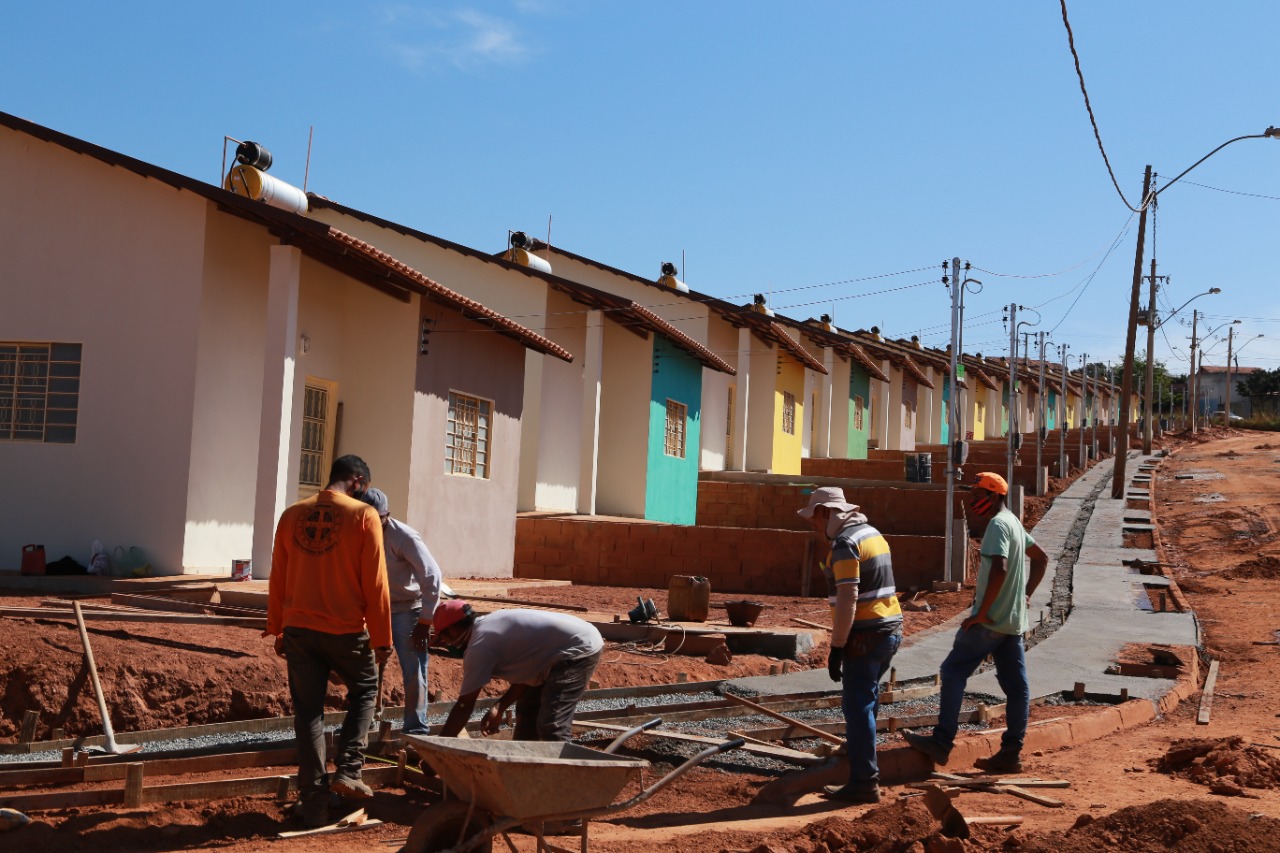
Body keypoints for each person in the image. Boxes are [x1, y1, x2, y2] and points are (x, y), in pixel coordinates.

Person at [265, 454, 392, 828]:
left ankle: (315, 805)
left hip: (300, 630)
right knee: (365, 690)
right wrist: (382, 638)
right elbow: (377, 583)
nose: (364, 496)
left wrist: (277, 627)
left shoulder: (291, 515)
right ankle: (350, 769)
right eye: (364, 489)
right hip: (345, 629)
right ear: (356, 481)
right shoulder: (363, 516)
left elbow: (278, 574)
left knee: (308, 714)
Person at [903, 471, 1049, 774]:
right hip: (1012, 622)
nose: (972, 500)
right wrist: (1024, 596)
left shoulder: (997, 525)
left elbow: (1000, 568)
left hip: (989, 622)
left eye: (977, 494)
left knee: (953, 672)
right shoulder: (1015, 524)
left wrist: (981, 614)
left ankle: (942, 743)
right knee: (1017, 689)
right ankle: (1011, 752)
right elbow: (1042, 558)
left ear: (994, 495)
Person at [798, 486, 903, 805]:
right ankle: (860, 757)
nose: (814, 525)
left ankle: (864, 782)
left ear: (827, 513)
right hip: (891, 628)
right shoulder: (871, 533)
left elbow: (848, 597)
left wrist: (838, 646)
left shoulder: (845, 543)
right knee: (867, 701)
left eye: (815, 518)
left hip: (866, 634)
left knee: (857, 707)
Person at [433, 601, 603, 741]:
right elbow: (526, 674)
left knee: (552, 725)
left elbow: (464, 706)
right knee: (528, 711)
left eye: (443, 638)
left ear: (454, 630)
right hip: (554, 653)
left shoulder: (479, 647)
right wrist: (499, 708)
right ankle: (525, 771)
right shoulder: (486, 627)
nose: (446, 644)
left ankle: (565, 778)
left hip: (576, 649)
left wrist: (436, 755)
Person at [359, 488, 442, 736]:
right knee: (368, 667)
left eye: (377, 520)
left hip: (408, 609)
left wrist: (425, 621)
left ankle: (415, 729)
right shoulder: (358, 534)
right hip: (375, 609)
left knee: (414, 668)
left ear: (387, 516)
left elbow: (432, 577)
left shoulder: (404, 537)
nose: (372, 525)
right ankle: (368, 720)